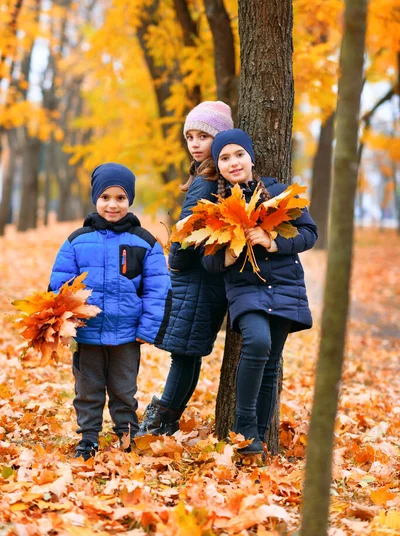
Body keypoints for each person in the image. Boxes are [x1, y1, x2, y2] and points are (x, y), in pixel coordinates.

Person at [201, 129, 318, 455]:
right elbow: (207, 263)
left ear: (251, 157)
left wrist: (273, 242)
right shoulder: (215, 207)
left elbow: (310, 233)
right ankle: (244, 425)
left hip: (285, 286)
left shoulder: (280, 194)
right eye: (224, 158)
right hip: (245, 290)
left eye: (239, 154)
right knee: (258, 341)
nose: (233, 162)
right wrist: (229, 253)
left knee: (271, 362)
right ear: (218, 166)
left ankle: (258, 443)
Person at [49, 163, 171, 460]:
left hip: (127, 335)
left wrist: (147, 329)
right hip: (87, 334)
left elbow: (158, 289)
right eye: (105, 197)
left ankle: (127, 434)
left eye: (120, 197)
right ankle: (88, 438)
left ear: (129, 200)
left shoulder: (145, 242)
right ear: (95, 199)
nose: (112, 204)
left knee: (124, 389)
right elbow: (59, 285)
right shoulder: (77, 241)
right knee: (88, 390)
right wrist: (65, 324)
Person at [137, 101, 233, 436]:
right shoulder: (217, 178)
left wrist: (174, 263)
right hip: (210, 280)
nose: (194, 143)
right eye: (189, 135)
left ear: (219, 140)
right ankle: (166, 419)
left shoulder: (205, 182)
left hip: (194, 279)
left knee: (183, 354)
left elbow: (186, 232)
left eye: (203, 136)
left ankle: (159, 423)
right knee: (189, 354)